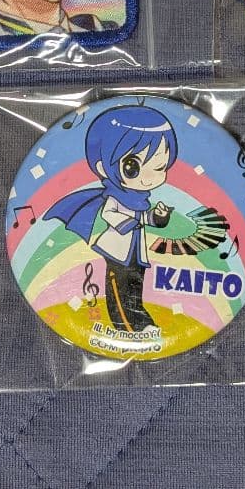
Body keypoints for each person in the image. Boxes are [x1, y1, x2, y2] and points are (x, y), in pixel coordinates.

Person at [44, 105, 177, 334]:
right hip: (117, 251)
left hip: (135, 253)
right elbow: (109, 214)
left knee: (135, 287)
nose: (150, 177)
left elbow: (144, 218)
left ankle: (141, 321)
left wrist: (159, 217)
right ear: (103, 167)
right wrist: (130, 223)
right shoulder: (114, 197)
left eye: (159, 167)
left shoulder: (139, 199)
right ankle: (125, 326)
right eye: (134, 166)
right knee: (119, 289)